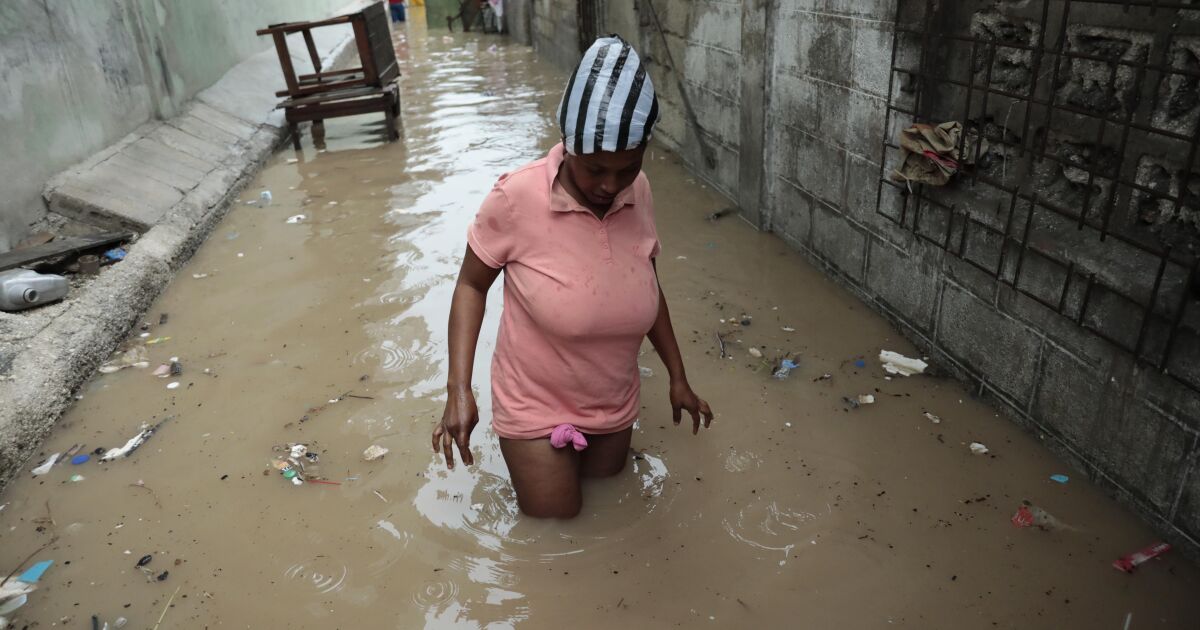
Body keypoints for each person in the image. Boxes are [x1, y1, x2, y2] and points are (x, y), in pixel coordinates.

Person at [433, 35, 714, 518]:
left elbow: (647, 283)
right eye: (596, 169)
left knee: (609, 506)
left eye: (627, 168)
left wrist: (678, 376)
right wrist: (459, 389)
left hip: (614, 399)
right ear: (569, 148)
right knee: (556, 525)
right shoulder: (516, 198)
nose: (611, 185)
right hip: (534, 402)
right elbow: (471, 285)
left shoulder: (639, 191)